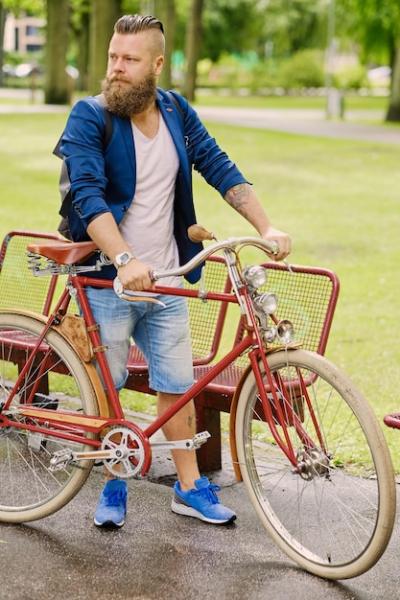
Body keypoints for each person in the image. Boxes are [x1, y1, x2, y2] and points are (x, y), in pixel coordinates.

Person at [60, 13, 291, 529]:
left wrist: (267, 226)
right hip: (108, 277)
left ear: (157, 65)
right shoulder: (89, 115)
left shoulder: (175, 111)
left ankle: (189, 487)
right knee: (108, 385)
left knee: (177, 383)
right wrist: (123, 258)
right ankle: (114, 481)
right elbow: (89, 196)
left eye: (130, 60)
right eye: (113, 57)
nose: (116, 68)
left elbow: (218, 165)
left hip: (168, 277)